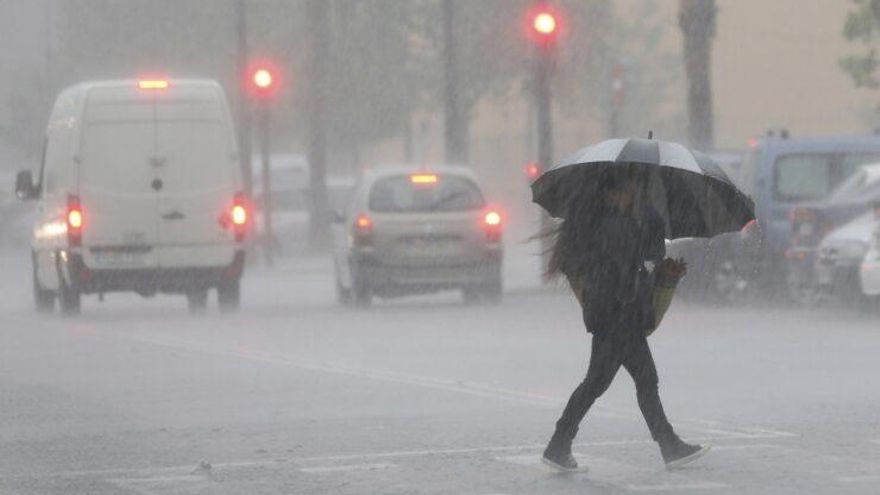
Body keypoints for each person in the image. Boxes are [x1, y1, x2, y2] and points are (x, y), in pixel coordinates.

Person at [542, 165, 710, 472]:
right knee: (625, 382)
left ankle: (560, 444)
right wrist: (649, 246)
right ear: (616, 192)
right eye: (632, 186)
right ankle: (667, 445)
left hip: (615, 316)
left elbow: (634, 267)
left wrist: (656, 266)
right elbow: (628, 272)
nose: (636, 191)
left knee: (613, 382)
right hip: (619, 317)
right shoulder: (616, 226)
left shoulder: (616, 223)